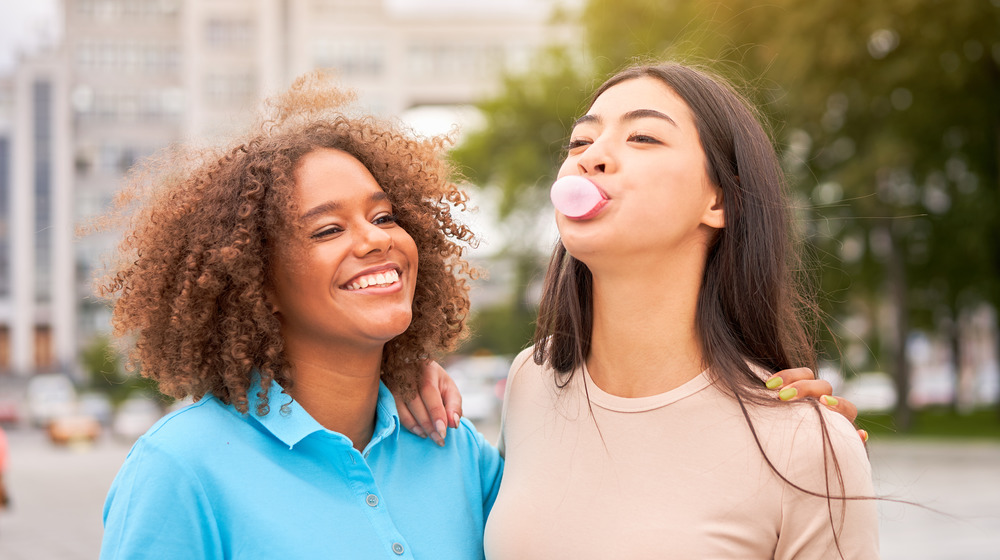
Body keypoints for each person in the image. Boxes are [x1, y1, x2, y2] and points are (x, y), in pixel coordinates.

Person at [404, 62, 877, 559]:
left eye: (644, 137)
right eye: (580, 142)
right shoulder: (531, 381)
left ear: (719, 200)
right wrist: (390, 370)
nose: (592, 158)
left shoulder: (809, 447)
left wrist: (821, 451)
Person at [97, 73, 501, 559]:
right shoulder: (179, 468)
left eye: (383, 217)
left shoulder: (454, 447)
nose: (376, 239)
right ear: (258, 281)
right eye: (328, 230)